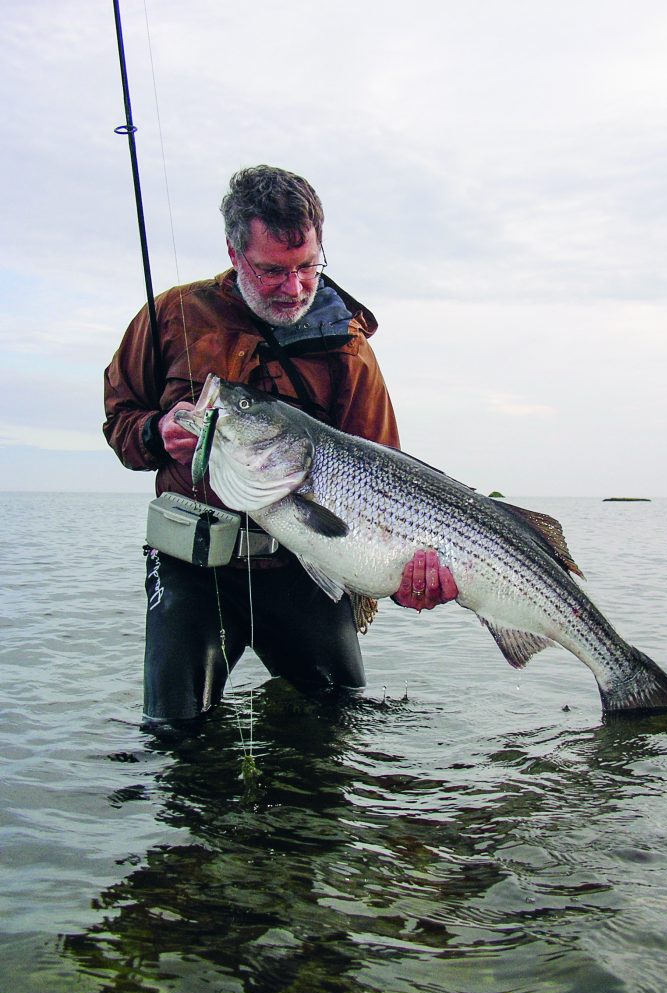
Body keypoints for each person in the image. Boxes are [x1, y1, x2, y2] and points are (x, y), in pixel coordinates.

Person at [104, 165, 457, 741]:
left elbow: (387, 488)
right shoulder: (172, 316)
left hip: (306, 570)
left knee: (336, 731)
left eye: (307, 268)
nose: (293, 288)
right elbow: (119, 419)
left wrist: (404, 576)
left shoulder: (349, 350)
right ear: (234, 251)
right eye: (271, 270)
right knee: (174, 739)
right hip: (193, 569)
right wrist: (152, 432)